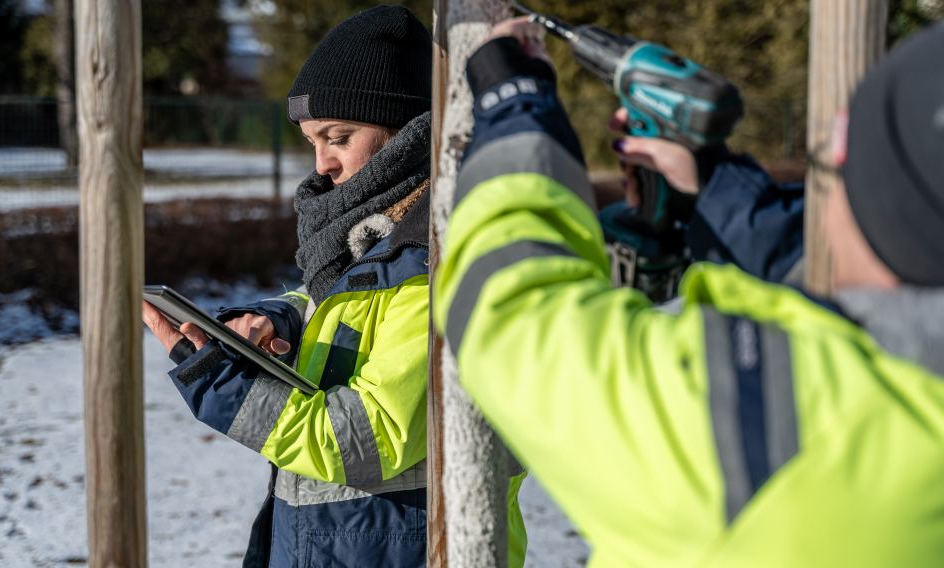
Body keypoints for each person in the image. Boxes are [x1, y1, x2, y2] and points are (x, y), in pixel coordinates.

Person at [436, 15, 944, 567]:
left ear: (876, 201)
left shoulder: (769, 433)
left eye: (826, 168)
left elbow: (512, 315)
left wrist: (516, 108)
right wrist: (713, 187)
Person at [143, 6, 527, 567]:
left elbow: (365, 439)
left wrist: (224, 389)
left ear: (406, 132)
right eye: (310, 142)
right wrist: (279, 320)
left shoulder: (444, 257)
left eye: (338, 137)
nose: (321, 165)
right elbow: (343, 302)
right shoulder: (374, 235)